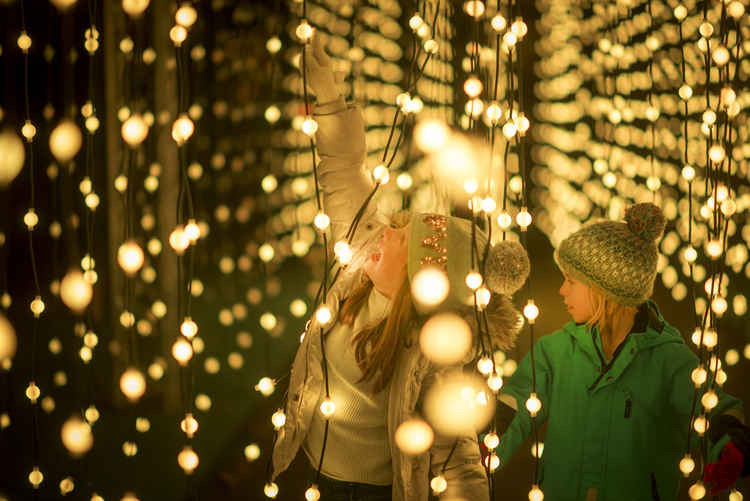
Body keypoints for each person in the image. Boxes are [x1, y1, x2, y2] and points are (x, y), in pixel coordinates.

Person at [270, 33, 531, 501]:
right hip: (303, 471)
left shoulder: (430, 357)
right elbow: (343, 171)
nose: (383, 233)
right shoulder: (359, 268)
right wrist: (328, 101)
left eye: (398, 237)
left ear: (418, 279)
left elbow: (460, 458)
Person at [496, 202, 749, 500]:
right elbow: (512, 410)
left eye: (571, 281)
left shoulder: (669, 360)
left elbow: (715, 412)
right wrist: (477, 441)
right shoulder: (554, 352)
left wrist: (730, 449)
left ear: (604, 289)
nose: (562, 291)